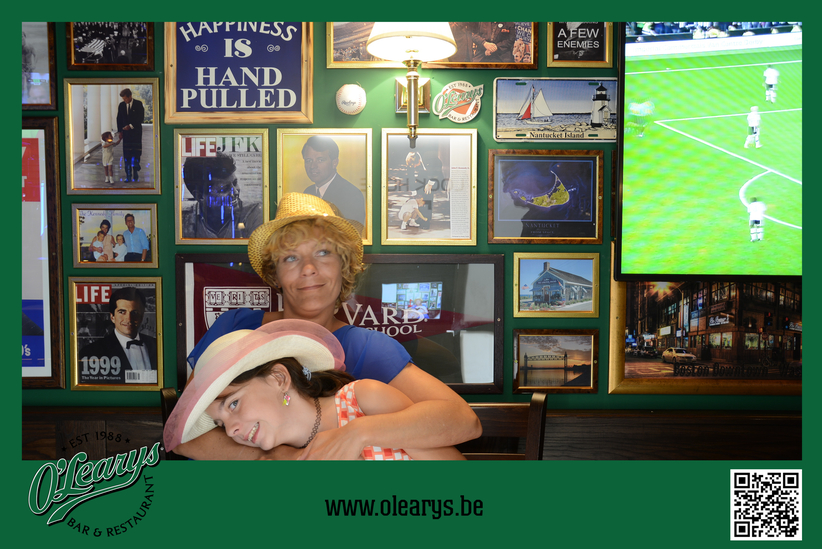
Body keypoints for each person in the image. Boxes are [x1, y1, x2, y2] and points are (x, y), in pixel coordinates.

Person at [176, 192, 481, 460]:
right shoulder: (235, 328)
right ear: (275, 274)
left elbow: (463, 421)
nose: (308, 269)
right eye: (291, 258)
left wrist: (358, 432)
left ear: (344, 266)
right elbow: (184, 433)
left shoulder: (368, 348)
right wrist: (283, 459)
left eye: (323, 253)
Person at [164, 319, 464, 460]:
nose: (230, 431)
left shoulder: (363, 399)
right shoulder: (278, 460)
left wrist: (361, 433)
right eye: (220, 424)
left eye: (233, 404)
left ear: (278, 378)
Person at [78, 287, 158, 383]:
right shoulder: (90, 352)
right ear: (112, 317)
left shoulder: (158, 346)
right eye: (122, 312)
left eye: (134, 312)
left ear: (142, 316)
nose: (128, 319)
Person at [181, 153, 264, 239]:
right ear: (199, 196)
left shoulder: (254, 213)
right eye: (224, 189)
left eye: (235, 183)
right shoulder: (182, 219)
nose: (235, 192)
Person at [301, 135, 366, 233]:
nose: (313, 166)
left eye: (320, 160)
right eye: (308, 161)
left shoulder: (351, 194)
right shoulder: (308, 192)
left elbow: (352, 235)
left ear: (334, 162)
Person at [116, 88, 144, 182]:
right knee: (127, 154)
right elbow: (119, 119)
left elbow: (141, 118)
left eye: (125, 98)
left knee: (136, 153)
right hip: (126, 134)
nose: (124, 100)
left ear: (130, 96)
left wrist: (131, 126)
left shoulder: (138, 104)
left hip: (136, 133)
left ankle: (135, 173)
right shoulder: (121, 105)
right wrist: (120, 132)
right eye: (123, 99)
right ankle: (128, 175)